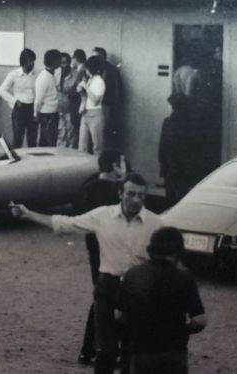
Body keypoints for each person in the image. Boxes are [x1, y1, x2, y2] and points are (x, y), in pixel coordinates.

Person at [11, 173, 162, 374]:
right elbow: (66, 223)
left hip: (138, 291)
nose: (136, 200)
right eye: (131, 194)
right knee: (106, 351)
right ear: (120, 193)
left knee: (132, 351)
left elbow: (163, 261)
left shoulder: (155, 224)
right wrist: (28, 214)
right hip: (108, 287)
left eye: (141, 196)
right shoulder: (102, 216)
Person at [117, 227, 207, 374]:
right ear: (179, 250)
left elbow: (118, 315)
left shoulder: (132, 275)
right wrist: (183, 331)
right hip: (174, 351)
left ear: (151, 248)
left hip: (142, 349)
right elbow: (200, 320)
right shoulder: (184, 277)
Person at [76, 149, 128, 366]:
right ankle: (103, 349)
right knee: (111, 299)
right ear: (115, 165)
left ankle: (91, 349)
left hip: (95, 250)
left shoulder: (88, 188)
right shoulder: (115, 193)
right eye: (122, 164)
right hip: (112, 251)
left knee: (102, 297)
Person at [159, 93, 198, 205]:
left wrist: (162, 162)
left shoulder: (168, 122)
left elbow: (163, 145)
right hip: (183, 164)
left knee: (170, 193)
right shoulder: (190, 124)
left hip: (170, 164)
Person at [0, 49, 39, 148]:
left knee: (32, 140)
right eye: (30, 61)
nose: (32, 64)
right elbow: (2, 90)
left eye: (33, 61)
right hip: (19, 109)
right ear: (24, 62)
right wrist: (14, 102)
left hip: (32, 108)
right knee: (17, 139)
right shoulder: (14, 74)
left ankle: (33, 163)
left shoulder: (37, 75)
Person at [92, 47, 122, 147]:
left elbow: (116, 90)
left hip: (106, 105)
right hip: (96, 105)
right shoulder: (95, 69)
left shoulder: (110, 70)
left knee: (103, 134)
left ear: (103, 57)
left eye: (96, 57)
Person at [78, 56, 107, 155]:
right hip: (85, 113)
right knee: (82, 146)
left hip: (95, 114)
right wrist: (81, 90)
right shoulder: (91, 80)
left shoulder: (100, 81)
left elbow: (95, 100)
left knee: (97, 146)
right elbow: (86, 97)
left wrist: (85, 87)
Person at [34, 49, 61, 146]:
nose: (60, 62)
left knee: (51, 141)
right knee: (47, 142)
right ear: (54, 61)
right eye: (59, 60)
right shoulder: (43, 77)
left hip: (53, 114)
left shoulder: (52, 75)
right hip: (47, 115)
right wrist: (35, 114)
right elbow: (38, 99)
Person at [57, 52, 81, 148]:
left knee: (72, 138)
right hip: (59, 111)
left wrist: (72, 92)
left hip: (71, 111)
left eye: (65, 62)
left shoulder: (76, 74)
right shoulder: (56, 74)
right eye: (61, 63)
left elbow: (81, 92)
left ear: (70, 62)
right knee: (60, 137)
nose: (63, 65)